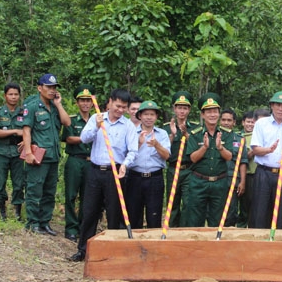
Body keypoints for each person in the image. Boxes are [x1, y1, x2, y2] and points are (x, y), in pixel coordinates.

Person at [69, 88, 138, 262]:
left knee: (114, 213)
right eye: (118, 106)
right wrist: (97, 126)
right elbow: (84, 138)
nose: (120, 110)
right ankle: (83, 250)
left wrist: (125, 165)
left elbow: (133, 150)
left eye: (124, 107)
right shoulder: (96, 118)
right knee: (89, 211)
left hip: (114, 173)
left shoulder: (128, 125)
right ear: (110, 102)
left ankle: (110, 251)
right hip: (94, 171)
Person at [22, 73, 71, 234]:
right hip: (38, 156)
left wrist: (58, 104)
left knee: (49, 191)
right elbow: (26, 131)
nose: (52, 90)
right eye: (48, 87)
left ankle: (45, 222)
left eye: (54, 87)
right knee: (35, 189)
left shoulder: (54, 106)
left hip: (53, 156)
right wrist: (28, 152)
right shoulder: (32, 106)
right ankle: (33, 222)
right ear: (39, 88)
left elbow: (67, 122)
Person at [249, 91, 282, 229]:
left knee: (279, 211)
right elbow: (255, 149)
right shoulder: (261, 124)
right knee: (259, 210)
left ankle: (276, 241)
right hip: (264, 172)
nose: (280, 109)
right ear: (272, 106)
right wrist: (268, 150)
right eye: (277, 105)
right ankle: (258, 241)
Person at [185, 93, 237, 227]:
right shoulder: (195, 134)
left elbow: (229, 156)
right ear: (202, 115)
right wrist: (204, 148)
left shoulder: (227, 133)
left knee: (217, 221)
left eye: (215, 111)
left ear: (219, 114)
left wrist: (220, 148)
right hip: (198, 182)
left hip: (219, 183)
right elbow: (192, 158)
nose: (212, 115)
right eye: (208, 112)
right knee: (195, 220)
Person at [125, 101, 170, 229]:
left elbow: (166, 156)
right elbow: (126, 155)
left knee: (154, 216)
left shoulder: (162, 134)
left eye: (152, 114)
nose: (149, 117)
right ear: (140, 116)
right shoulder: (132, 132)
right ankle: (135, 246)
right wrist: (139, 143)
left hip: (155, 178)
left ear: (156, 117)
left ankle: (153, 246)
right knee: (134, 215)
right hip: (135, 178)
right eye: (145, 114)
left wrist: (157, 144)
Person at [61, 84, 95, 241]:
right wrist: (85, 137)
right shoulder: (72, 120)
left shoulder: (97, 120)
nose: (86, 103)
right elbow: (69, 138)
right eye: (82, 100)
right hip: (75, 160)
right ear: (77, 102)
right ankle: (71, 227)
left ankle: (83, 227)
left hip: (91, 162)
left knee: (87, 196)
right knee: (71, 195)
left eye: (88, 100)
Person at [0, 82, 25, 221]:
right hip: (2, 152)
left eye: (16, 94)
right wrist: (16, 131)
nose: (13, 97)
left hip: (18, 152)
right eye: (10, 94)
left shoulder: (24, 112)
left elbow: (30, 130)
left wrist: (26, 140)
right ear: (5, 96)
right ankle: (2, 211)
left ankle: (17, 213)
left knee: (19, 183)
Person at [163, 91, 196, 227]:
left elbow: (196, 148)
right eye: (179, 107)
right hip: (172, 169)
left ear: (189, 110)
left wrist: (186, 134)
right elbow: (163, 150)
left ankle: (185, 231)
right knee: (172, 203)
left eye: (185, 108)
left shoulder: (194, 127)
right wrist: (172, 135)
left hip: (189, 170)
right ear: (174, 109)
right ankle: (171, 230)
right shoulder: (165, 128)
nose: (182, 111)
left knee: (188, 203)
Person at [220, 108, 247, 227]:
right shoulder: (213, 136)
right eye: (224, 120)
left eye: (229, 120)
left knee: (231, 212)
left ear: (234, 122)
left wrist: (242, 181)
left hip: (232, 180)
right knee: (217, 211)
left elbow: (243, 161)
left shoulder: (239, 140)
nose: (226, 123)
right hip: (216, 180)